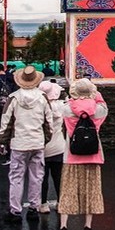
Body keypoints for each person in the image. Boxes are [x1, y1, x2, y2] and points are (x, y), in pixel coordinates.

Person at [54, 77, 108, 230]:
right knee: (91, 191)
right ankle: (88, 227)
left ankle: (63, 227)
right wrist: (95, 94)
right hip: (93, 156)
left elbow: (61, 111)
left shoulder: (67, 108)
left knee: (67, 191)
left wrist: (73, 98)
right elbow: (103, 104)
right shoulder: (98, 110)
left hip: (72, 156)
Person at [0, 66, 52, 223]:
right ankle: (34, 208)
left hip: (19, 143)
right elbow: (49, 123)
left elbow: (6, 122)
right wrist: (44, 139)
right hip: (37, 142)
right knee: (36, 176)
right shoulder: (43, 97)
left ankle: (15, 210)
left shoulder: (13, 98)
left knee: (16, 176)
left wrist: (2, 141)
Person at [39, 78, 67, 213]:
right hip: (59, 146)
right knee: (58, 177)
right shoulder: (61, 106)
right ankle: (60, 201)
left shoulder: (39, 107)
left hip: (42, 147)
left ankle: (43, 204)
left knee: (42, 178)